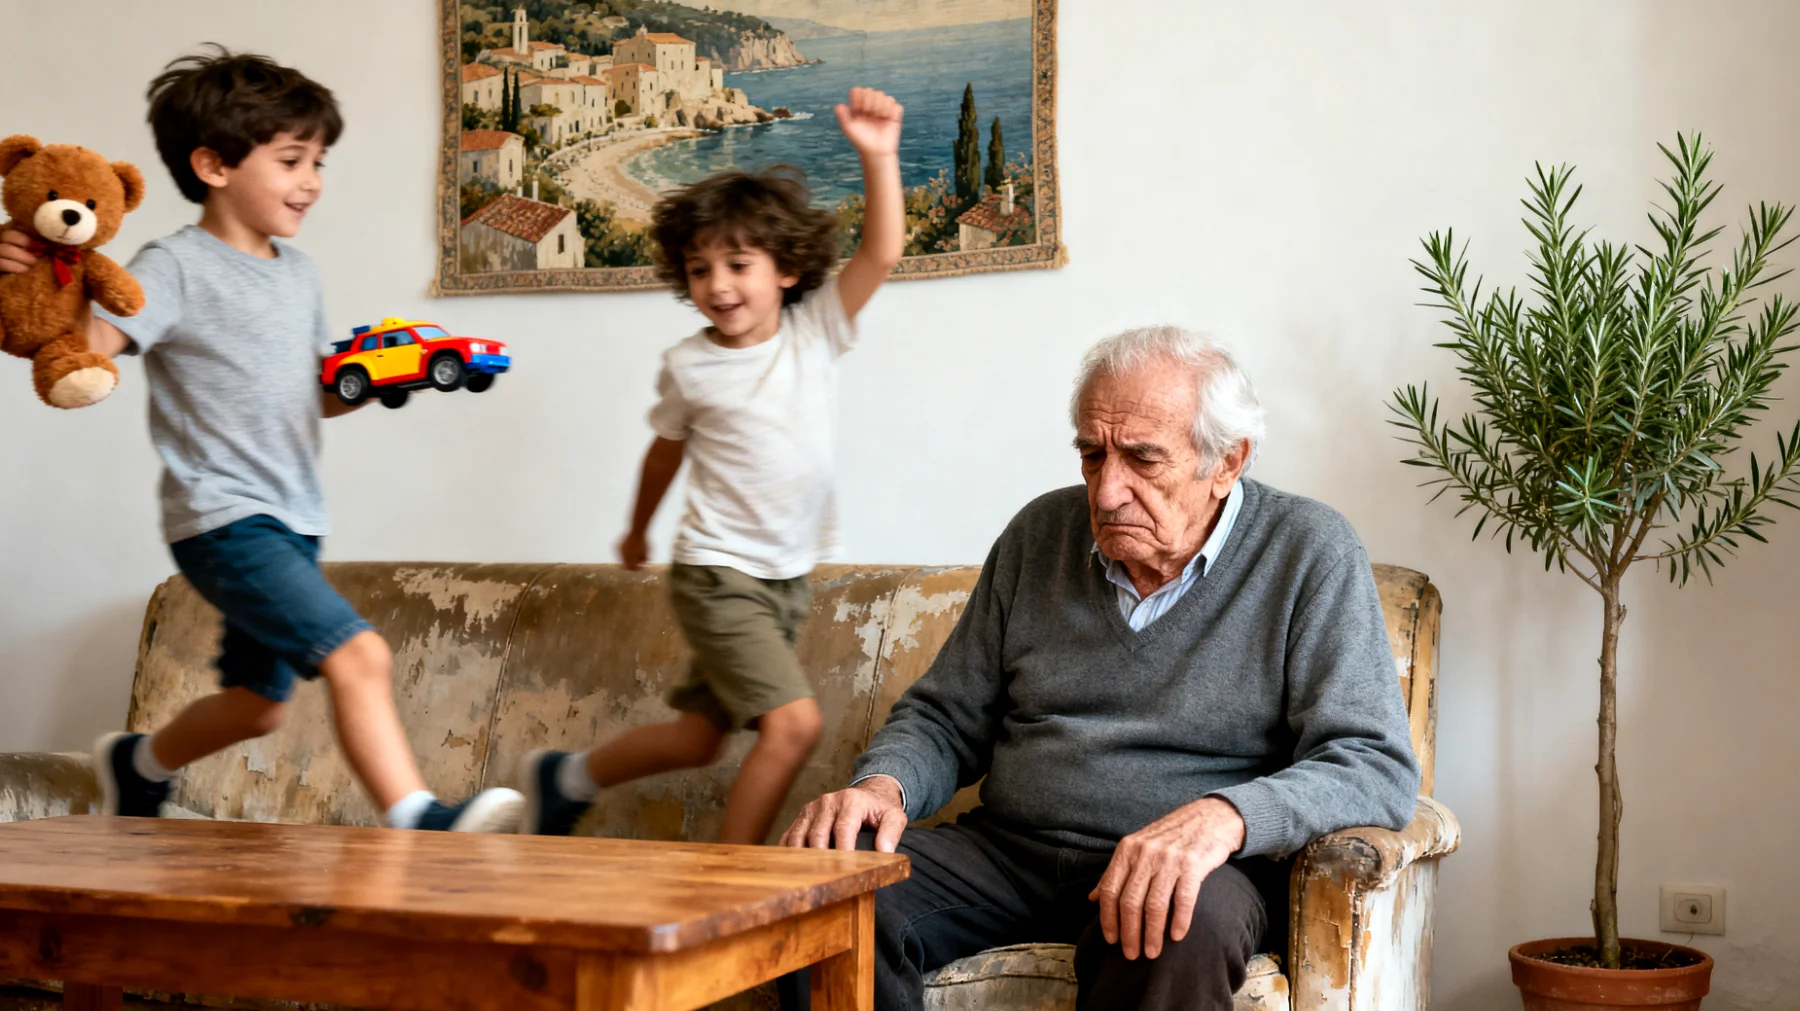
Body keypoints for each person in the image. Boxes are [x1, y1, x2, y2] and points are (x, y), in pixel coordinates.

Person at [776, 326, 1422, 1010]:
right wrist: (884, 784)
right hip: (1011, 853)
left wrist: (1224, 817)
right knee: (817, 897)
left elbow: (1372, 761)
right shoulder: (1039, 535)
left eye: (1142, 459)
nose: (1108, 490)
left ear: (1227, 462)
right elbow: (945, 715)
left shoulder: (1308, 551)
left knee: (1177, 926)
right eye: (1092, 453)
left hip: (1192, 869)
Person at [0, 47, 524, 832]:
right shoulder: (172, 266)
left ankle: (136, 766)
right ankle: (419, 818)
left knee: (258, 706)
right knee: (361, 654)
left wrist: (385, 383)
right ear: (212, 164)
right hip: (223, 519)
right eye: (291, 159)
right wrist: (29, 276)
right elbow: (90, 346)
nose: (311, 180)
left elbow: (312, 395)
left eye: (318, 159)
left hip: (296, 516)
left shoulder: (298, 273)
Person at [517, 88, 906, 844]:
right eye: (699, 269)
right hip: (717, 574)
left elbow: (882, 251)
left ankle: (563, 778)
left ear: (787, 269)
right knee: (793, 728)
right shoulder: (689, 365)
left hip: (783, 580)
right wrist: (635, 532)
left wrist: (877, 154)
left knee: (700, 737)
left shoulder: (816, 330)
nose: (718, 284)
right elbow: (665, 451)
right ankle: (732, 884)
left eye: (738, 263)